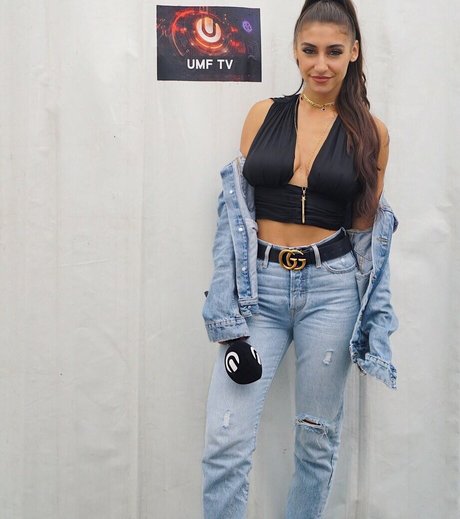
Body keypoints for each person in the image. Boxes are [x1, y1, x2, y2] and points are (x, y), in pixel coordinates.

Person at [201, 0, 399, 517]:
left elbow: (364, 236)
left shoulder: (371, 133)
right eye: (310, 50)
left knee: (316, 439)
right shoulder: (263, 114)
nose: (321, 64)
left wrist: (371, 320)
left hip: (332, 290)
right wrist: (226, 313)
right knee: (225, 440)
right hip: (259, 291)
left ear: (353, 52)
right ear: (294, 51)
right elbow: (234, 219)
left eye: (334, 51)